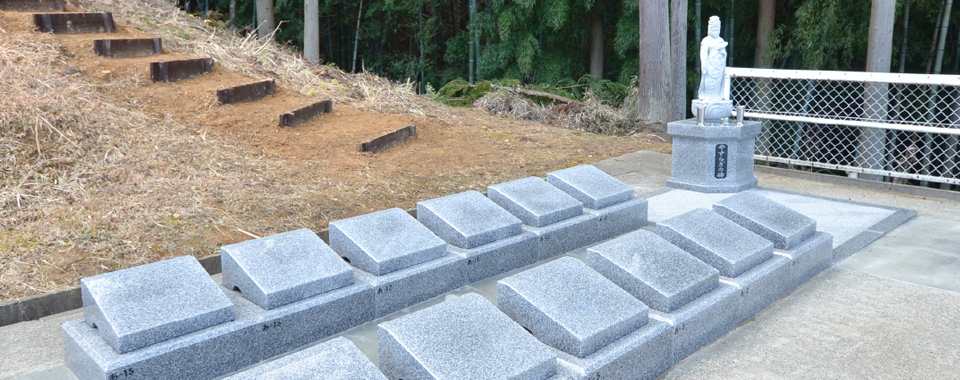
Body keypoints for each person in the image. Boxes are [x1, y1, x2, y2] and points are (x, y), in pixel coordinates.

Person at [698, 16, 729, 101]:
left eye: (717, 29)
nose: (716, 31)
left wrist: (723, 53)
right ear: (709, 29)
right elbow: (703, 55)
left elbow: (724, 54)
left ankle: (718, 96)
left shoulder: (721, 40)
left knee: (718, 84)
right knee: (708, 83)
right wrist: (703, 65)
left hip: (719, 67)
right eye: (714, 29)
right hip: (709, 67)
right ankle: (706, 96)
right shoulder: (706, 40)